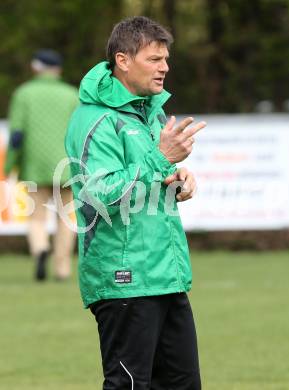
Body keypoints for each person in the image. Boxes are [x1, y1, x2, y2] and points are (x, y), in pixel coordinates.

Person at [65, 16, 206, 389]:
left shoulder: (151, 112)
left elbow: (148, 177)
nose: (165, 67)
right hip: (123, 279)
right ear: (123, 60)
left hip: (166, 275)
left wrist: (177, 181)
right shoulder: (93, 119)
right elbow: (101, 194)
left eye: (166, 58)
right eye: (155, 59)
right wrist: (162, 159)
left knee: (183, 384)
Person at [5, 49, 78, 281]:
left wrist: (9, 166)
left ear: (36, 67)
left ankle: (40, 248)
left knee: (36, 217)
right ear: (59, 70)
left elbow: (17, 135)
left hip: (35, 166)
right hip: (67, 166)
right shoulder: (72, 94)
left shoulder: (23, 94)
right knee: (66, 218)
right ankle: (62, 269)